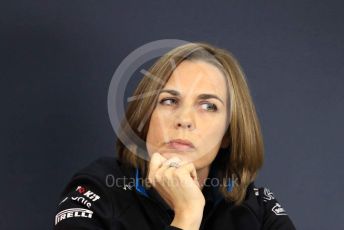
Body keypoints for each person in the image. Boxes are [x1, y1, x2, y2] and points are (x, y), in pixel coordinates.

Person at [53, 42, 296, 230]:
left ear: (228, 134)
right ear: (146, 117)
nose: (184, 119)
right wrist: (187, 216)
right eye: (169, 101)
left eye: (208, 106)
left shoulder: (253, 206)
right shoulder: (98, 189)